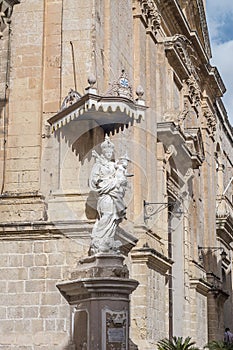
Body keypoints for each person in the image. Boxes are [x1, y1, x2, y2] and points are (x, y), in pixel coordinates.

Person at [89, 136, 130, 254]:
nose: (109, 154)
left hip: (115, 194)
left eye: (111, 152)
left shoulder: (112, 165)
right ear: (103, 152)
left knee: (113, 217)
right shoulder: (98, 165)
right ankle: (99, 238)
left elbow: (121, 173)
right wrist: (108, 183)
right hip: (106, 194)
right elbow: (93, 180)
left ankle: (108, 238)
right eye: (107, 152)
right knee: (106, 215)